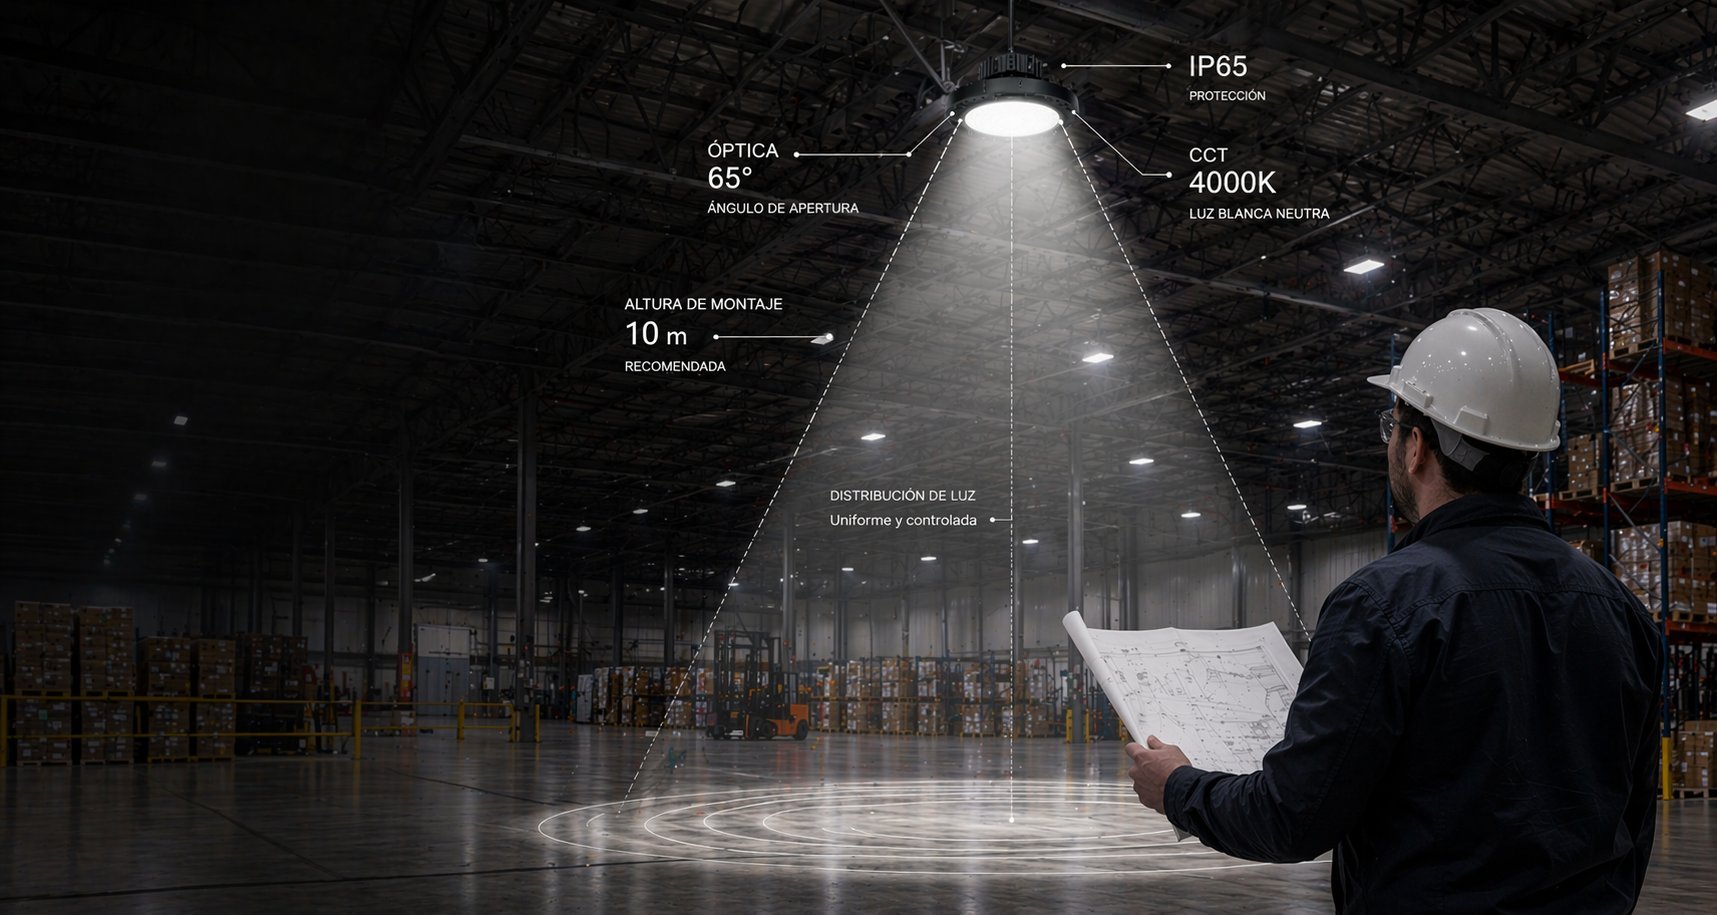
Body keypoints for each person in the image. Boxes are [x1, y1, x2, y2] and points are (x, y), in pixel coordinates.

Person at [1126, 307, 1663, 913]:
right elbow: (1636, 820)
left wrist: (1178, 787)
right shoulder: (1621, 607)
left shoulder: (1384, 604)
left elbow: (1293, 817)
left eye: (1393, 425)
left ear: (1415, 447)